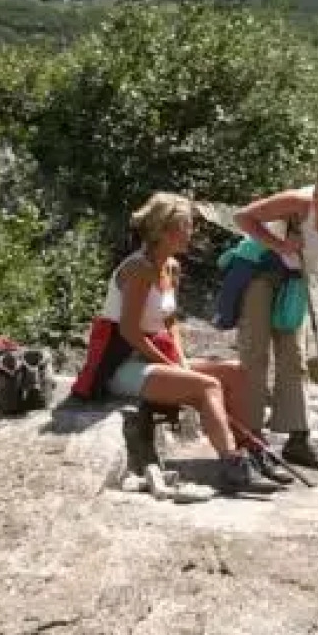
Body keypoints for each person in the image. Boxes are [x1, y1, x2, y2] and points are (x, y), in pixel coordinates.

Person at [71, 192, 287, 495]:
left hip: (151, 359)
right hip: (122, 366)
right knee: (207, 387)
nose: (191, 233)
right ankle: (232, 465)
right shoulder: (140, 270)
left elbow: (170, 322)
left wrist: (181, 361)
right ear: (166, 230)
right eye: (186, 226)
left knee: (237, 372)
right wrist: (171, 365)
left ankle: (250, 448)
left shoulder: (170, 266)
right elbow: (131, 331)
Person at [227, 161, 318, 470]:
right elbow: (242, 217)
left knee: (294, 355)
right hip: (260, 266)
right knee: (255, 351)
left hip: (296, 275)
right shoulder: (297, 203)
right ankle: (251, 438)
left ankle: (297, 442)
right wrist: (280, 244)